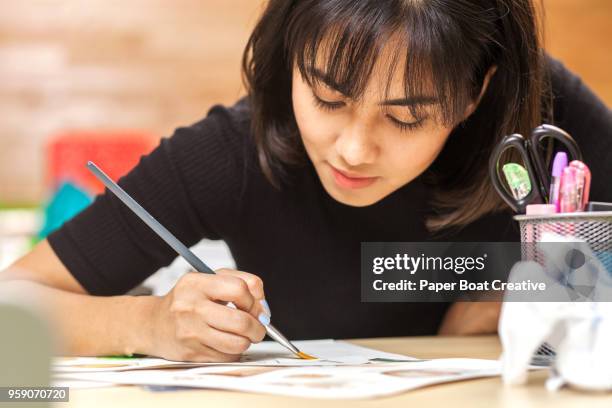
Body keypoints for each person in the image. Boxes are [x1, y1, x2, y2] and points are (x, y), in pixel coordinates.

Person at [2, 0, 611, 362]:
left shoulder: (545, 128)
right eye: (327, 97)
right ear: (292, 57)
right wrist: (148, 325)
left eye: (406, 117)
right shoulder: (228, 155)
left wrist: (525, 293)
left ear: (478, 92)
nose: (352, 148)